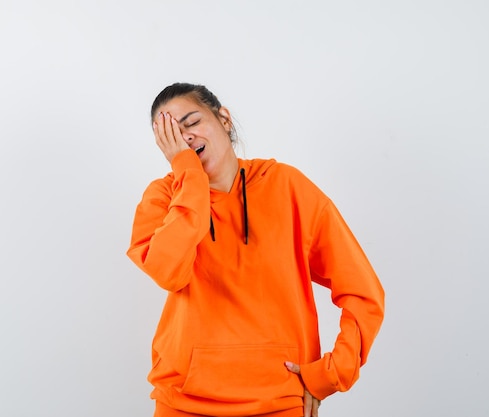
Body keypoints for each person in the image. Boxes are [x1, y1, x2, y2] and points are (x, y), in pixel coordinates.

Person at [127, 83, 385, 417]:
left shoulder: (286, 186)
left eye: (191, 123)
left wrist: (331, 374)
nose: (185, 138)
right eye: (171, 135)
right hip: (185, 403)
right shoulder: (163, 197)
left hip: (280, 402)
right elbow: (169, 272)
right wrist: (188, 175)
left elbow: (364, 292)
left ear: (224, 119)